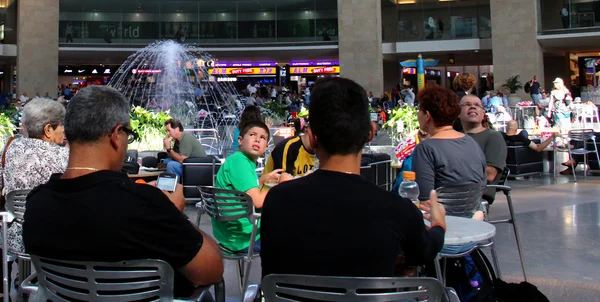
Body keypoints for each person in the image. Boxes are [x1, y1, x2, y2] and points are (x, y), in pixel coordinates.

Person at [23, 86, 224, 297]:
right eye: (129, 134)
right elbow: (212, 270)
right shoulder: (144, 204)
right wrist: (174, 213)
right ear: (117, 134)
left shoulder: (36, 203)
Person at [261, 77, 446, 278]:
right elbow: (424, 253)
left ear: (313, 137)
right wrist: (439, 225)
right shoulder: (398, 210)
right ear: (371, 132)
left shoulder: (277, 201)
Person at [1, 99, 69, 254]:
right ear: (48, 130)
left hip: (14, 237)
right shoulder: (65, 156)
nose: (63, 129)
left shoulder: (10, 148)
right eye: (61, 124)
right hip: (51, 239)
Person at [212, 120, 291, 253]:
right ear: (240, 140)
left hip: (231, 234)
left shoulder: (239, 161)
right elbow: (258, 202)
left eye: (262, 137)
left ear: (266, 147)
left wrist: (261, 181)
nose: (257, 139)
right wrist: (281, 183)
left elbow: (242, 192)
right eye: (253, 135)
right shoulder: (240, 162)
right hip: (245, 238)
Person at [411, 87, 486, 201]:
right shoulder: (471, 142)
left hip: (440, 216)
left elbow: (424, 197)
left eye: (419, 110)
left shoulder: (425, 149)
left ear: (427, 115)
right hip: (472, 213)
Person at [459, 95, 507, 204]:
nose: (472, 107)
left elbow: (490, 174)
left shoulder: (493, 137)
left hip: (476, 196)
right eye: (467, 104)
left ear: (483, 114)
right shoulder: (454, 137)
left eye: (477, 105)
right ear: (458, 113)